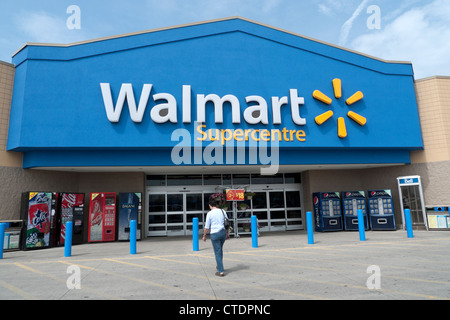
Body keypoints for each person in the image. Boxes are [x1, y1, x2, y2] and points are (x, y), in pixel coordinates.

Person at [203, 197, 230, 277]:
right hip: (223, 233)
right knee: (220, 250)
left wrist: (204, 236)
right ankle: (219, 265)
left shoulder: (210, 213)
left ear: (210, 205)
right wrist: (227, 233)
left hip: (215, 233)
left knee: (217, 251)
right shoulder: (222, 211)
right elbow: (227, 223)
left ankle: (220, 271)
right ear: (216, 205)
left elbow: (206, 227)